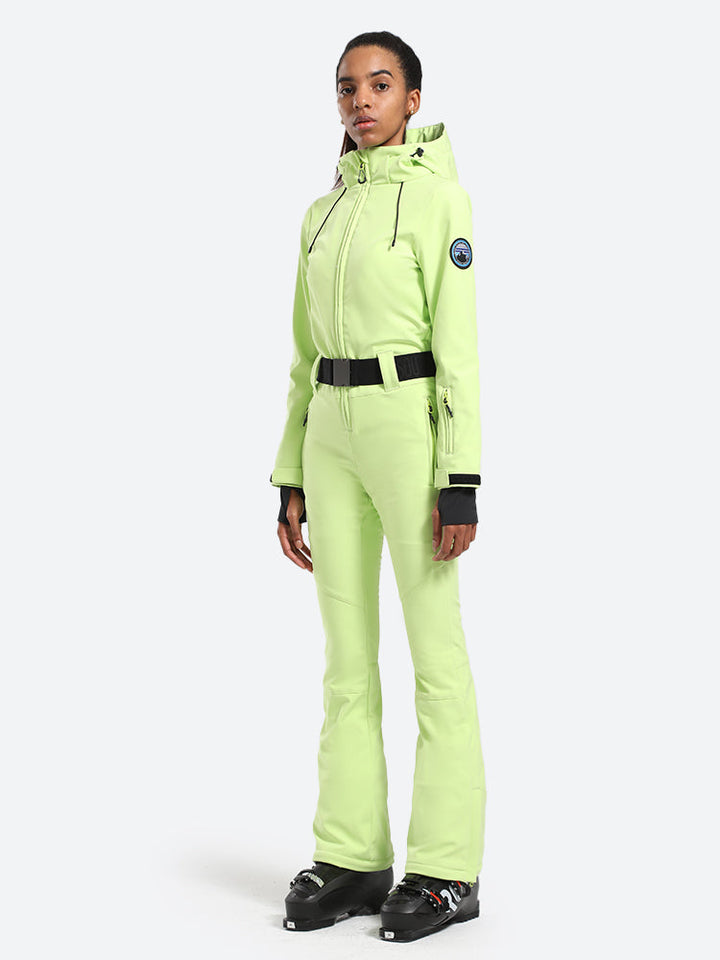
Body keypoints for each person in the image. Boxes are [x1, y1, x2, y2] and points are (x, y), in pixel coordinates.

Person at [269, 31, 487, 943]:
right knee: (345, 660)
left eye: (380, 84)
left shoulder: (440, 202)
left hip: (408, 424)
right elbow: (302, 354)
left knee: (435, 654)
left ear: (413, 97)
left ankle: (447, 869)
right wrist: (289, 472)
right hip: (330, 430)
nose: (360, 100)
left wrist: (459, 478)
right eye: (347, 88)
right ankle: (354, 856)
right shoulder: (320, 215)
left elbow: (460, 351)